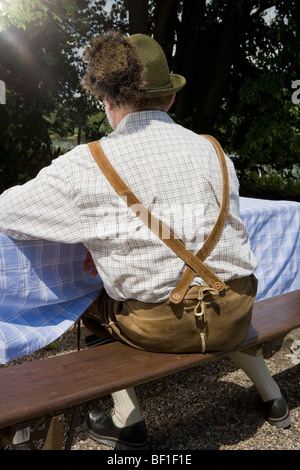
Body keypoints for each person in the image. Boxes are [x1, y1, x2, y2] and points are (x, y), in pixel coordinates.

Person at [0, 30, 290, 450]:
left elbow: (8, 211)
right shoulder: (214, 149)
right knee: (211, 285)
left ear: (107, 101)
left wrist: (94, 239)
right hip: (238, 307)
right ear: (170, 99)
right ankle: (272, 393)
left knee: (89, 297)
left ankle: (127, 418)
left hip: (162, 326)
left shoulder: (88, 162)